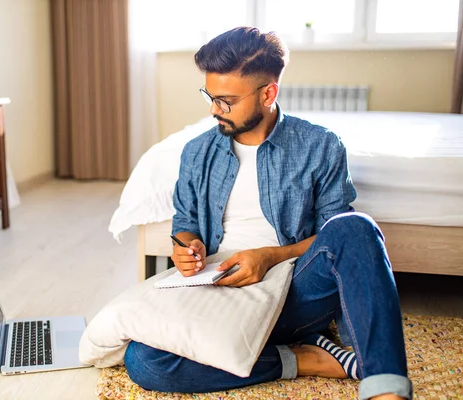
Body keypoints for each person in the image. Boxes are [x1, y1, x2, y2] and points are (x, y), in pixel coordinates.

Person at [123, 27, 412, 400]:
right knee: (144, 359)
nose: (214, 109)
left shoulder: (320, 145)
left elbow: (332, 237)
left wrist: (270, 257)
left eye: (226, 100)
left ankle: (385, 390)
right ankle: (303, 358)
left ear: (268, 93)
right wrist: (186, 246)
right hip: (221, 292)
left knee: (356, 226)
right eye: (209, 97)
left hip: (294, 289)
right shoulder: (196, 151)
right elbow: (185, 222)